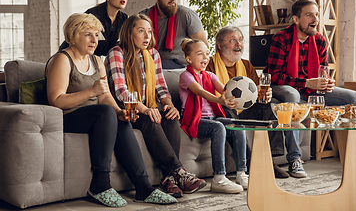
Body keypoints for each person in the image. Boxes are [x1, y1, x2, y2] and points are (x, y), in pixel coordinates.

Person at [46, 13, 176, 208]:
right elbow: (56, 100)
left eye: (96, 35)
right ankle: (100, 183)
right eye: (88, 34)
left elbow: (105, 96)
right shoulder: (62, 60)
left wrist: (119, 111)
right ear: (73, 36)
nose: (94, 40)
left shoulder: (97, 61)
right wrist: (91, 91)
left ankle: (143, 186)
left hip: (97, 115)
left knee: (118, 117)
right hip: (68, 115)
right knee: (105, 113)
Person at [105, 14, 206, 198]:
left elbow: (160, 86)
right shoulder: (116, 53)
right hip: (125, 112)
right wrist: (145, 109)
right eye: (141, 31)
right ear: (129, 33)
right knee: (150, 119)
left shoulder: (152, 54)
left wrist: (169, 104)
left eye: (149, 32)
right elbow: (121, 91)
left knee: (171, 116)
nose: (147, 36)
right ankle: (178, 172)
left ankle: (170, 179)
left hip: (148, 107)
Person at [207, 26, 307, 178]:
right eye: (233, 40)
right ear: (220, 45)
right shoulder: (209, 65)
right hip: (222, 110)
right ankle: (254, 161)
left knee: (268, 105)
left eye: (240, 40)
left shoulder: (246, 65)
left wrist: (264, 95)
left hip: (244, 111)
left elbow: (256, 92)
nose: (238, 44)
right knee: (225, 105)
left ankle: (269, 157)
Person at [179, 38, 248, 193]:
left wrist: (240, 96)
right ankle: (219, 178)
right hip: (195, 120)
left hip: (214, 117)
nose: (205, 57)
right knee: (218, 128)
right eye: (200, 54)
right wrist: (219, 100)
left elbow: (226, 90)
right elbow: (200, 91)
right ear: (189, 59)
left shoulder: (210, 75)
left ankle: (241, 173)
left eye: (206, 53)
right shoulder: (185, 76)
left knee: (237, 125)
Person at [264, 0, 356, 107]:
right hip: (285, 86)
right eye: (309, 15)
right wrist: (306, 83)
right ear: (296, 19)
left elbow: (323, 70)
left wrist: (327, 82)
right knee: (293, 95)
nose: (315, 19)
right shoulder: (281, 38)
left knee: (354, 96)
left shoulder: (320, 40)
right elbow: (274, 76)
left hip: (312, 89)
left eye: (317, 15)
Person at [139, 0, 208, 69]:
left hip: (180, 66)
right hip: (152, 63)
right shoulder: (144, 16)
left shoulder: (186, 14)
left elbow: (203, 48)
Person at [59, 0, 129, 57]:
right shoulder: (92, 15)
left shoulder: (124, 19)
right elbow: (74, 38)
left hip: (105, 61)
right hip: (80, 58)